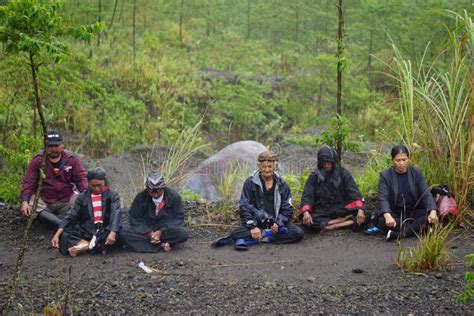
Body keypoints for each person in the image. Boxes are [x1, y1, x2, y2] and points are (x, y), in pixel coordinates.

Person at [229, 150, 304, 250]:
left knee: (298, 233)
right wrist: (252, 227)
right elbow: (244, 206)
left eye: (270, 167)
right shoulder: (250, 182)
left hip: (275, 225)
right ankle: (265, 235)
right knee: (235, 234)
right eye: (263, 167)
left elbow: (287, 208)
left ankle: (264, 237)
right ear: (259, 166)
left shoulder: (282, 184)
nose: (267, 170)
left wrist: (278, 223)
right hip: (258, 223)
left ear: (275, 167)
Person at [20, 130, 88, 227]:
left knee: (84, 202)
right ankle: (61, 224)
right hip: (45, 200)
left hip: (66, 199)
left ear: (62, 145)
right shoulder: (38, 160)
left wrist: (86, 194)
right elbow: (28, 182)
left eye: (56, 146)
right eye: (50, 146)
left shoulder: (72, 159)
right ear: (45, 146)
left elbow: (82, 178)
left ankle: (58, 221)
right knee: (29, 208)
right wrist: (24, 201)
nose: (53, 149)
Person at [51, 167, 122, 257]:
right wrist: (57, 234)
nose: (96, 189)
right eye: (93, 186)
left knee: (118, 234)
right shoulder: (82, 197)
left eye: (99, 185)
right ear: (88, 184)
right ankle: (91, 245)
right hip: (88, 231)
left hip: (105, 230)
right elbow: (71, 215)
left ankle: (86, 246)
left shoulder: (113, 195)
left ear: (105, 181)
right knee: (64, 234)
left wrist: (113, 232)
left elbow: (115, 214)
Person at [299, 146, 368, 233]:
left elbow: (353, 192)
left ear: (333, 161)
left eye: (329, 163)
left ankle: (329, 226)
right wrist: (306, 213)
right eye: (324, 163)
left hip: (341, 207)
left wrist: (360, 210)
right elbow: (307, 195)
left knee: (366, 215)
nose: (327, 165)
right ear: (320, 163)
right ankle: (345, 221)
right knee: (307, 222)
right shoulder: (314, 176)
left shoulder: (343, 174)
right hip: (323, 209)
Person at [376, 145, 438, 241]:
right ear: (392, 160)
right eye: (398, 160)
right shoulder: (385, 175)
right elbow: (383, 197)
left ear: (408, 159)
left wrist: (433, 211)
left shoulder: (416, 173)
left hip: (413, 211)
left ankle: (399, 235)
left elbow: (425, 193)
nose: (401, 163)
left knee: (429, 217)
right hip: (395, 213)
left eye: (404, 160)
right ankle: (417, 229)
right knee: (383, 221)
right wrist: (387, 216)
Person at [121, 172, 189, 252]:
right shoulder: (140, 197)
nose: (155, 194)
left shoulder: (174, 196)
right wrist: (149, 233)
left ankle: (149, 244)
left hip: (165, 231)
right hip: (146, 232)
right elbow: (135, 218)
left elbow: (178, 218)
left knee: (182, 234)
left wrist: (161, 231)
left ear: (163, 188)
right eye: (151, 191)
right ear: (147, 188)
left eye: (157, 190)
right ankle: (161, 245)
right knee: (123, 233)